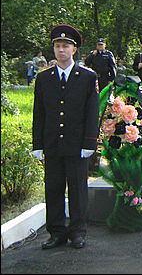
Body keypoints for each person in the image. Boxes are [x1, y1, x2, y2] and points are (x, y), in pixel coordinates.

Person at [31, 24, 99, 250]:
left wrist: (90, 141)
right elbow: (39, 113)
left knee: (78, 189)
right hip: (52, 142)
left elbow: (92, 112)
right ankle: (56, 232)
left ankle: (78, 231)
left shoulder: (87, 77)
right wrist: (37, 143)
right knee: (53, 188)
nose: (61, 50)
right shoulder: (44, 78)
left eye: (65, 46)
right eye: (58, 46)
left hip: (77, 142)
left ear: (74, 50)